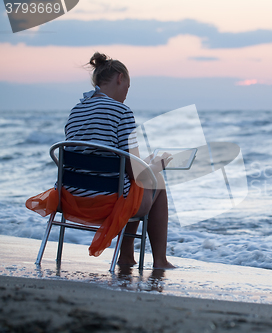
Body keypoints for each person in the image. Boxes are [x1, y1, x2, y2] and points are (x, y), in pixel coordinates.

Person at [27, 52, 174, 269]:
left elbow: (93, 157)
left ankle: (127, 257)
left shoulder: (76, 110)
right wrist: (155, 165)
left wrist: (142, 165)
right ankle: (159, 261)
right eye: (127, 87)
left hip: (68, 199)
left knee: (132, 184)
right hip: (108, 202)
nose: (126, 95)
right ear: (120, 78)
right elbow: (135, 174)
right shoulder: (122, 112)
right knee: (156, 183)